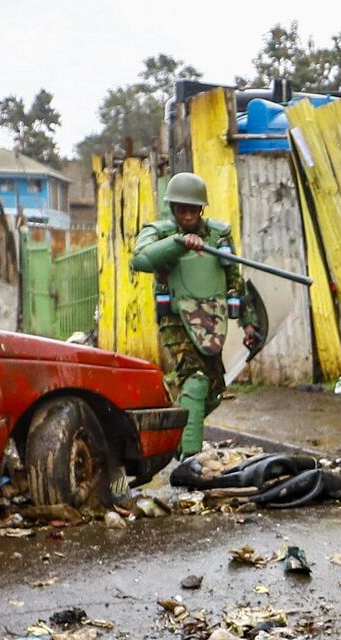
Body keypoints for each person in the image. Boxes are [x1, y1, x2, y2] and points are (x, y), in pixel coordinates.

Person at [132, 172, 260, 457]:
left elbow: (233, 278)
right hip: (176, 318)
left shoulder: (218, 234)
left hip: (211, 318)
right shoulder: (160, 231)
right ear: (173, 207)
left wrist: (249, 322)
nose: (188, 215)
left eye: (194, 209)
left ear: (201, 209)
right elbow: (139, 258)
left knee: (213, 390)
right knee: (197, 378)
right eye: (182, 209)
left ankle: (170, 427)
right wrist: (177, 243)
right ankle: (190, 460)